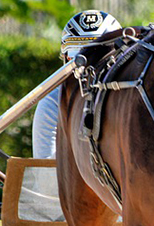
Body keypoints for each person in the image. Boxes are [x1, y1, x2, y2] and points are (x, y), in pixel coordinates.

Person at [33, 10, 122, 158]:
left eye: (101, 61)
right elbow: (46, 168)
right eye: (78, 61)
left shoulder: (130, 93)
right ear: (67, 59)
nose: (89, 72)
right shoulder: (53, 100)